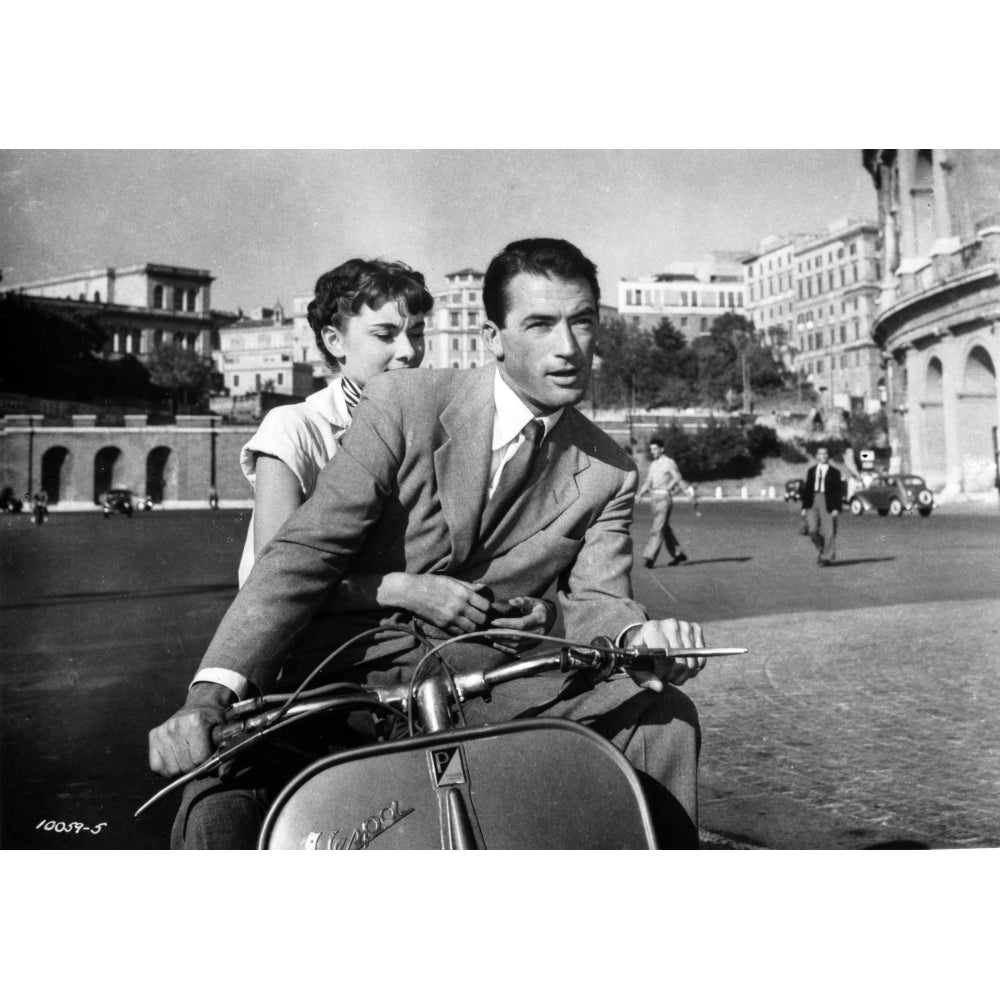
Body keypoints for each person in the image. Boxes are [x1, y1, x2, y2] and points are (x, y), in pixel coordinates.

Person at [149, 237, 708, 850]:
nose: (568, 347)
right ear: (494, 338)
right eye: (541, 324)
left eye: (582, 322)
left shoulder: (611, 469)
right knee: (217, 802)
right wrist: (208, 696)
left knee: (663, 719)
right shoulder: (404, 401)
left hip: (495, 688)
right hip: (347, 684)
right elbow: (304, 555)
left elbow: (601, 600)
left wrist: (637, 637)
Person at [238, 257, 554, 638]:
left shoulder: (437, 424)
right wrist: (404, 590)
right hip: (310, 660)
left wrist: (531, 607)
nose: (409, 351)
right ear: (334, 341)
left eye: (416, 333)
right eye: (385, 335)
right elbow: (274, 584)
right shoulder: (294, 427)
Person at [637, 437, 696, 568]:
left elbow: (679, 479)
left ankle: (649, 557)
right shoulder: (653, 465)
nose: (653, 452)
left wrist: (690, 496)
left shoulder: (669, 463)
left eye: (655, 449)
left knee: (657, 529)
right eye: (651, 449)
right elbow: (648, 481)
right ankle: (678, 554)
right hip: (654, 499)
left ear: (662, 449)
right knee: (664, 528)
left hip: (664, 499)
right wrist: (640, 494)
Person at [800, 446, 842, 566]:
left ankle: (825, 557)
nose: (823, 456)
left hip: (827, 501)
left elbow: (838, 491)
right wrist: (804, 507)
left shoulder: (835, 472)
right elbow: (807, 489)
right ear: (817, 456)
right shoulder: (811, 471)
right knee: (812, 530)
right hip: (812, 501)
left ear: (828, 456)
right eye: (820, 453)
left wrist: (836, 508)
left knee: (829, 530)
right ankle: (822, 548)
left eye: (825, 453)